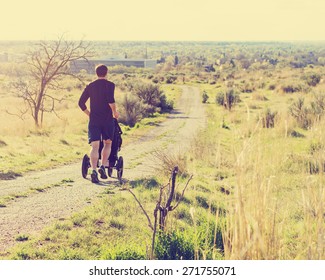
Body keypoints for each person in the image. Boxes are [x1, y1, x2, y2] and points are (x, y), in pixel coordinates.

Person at [78, 64, 119, 183]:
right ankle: (102, 166)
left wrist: (89, 114)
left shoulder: (90, 86)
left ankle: (94, 170)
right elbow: (110, 100)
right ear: (106, 73)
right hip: (107, 120)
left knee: (95, 146)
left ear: (96, 73)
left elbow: (81, 103)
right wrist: (115, 112)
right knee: (107, 144)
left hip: (94, 120)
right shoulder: (110, 85)